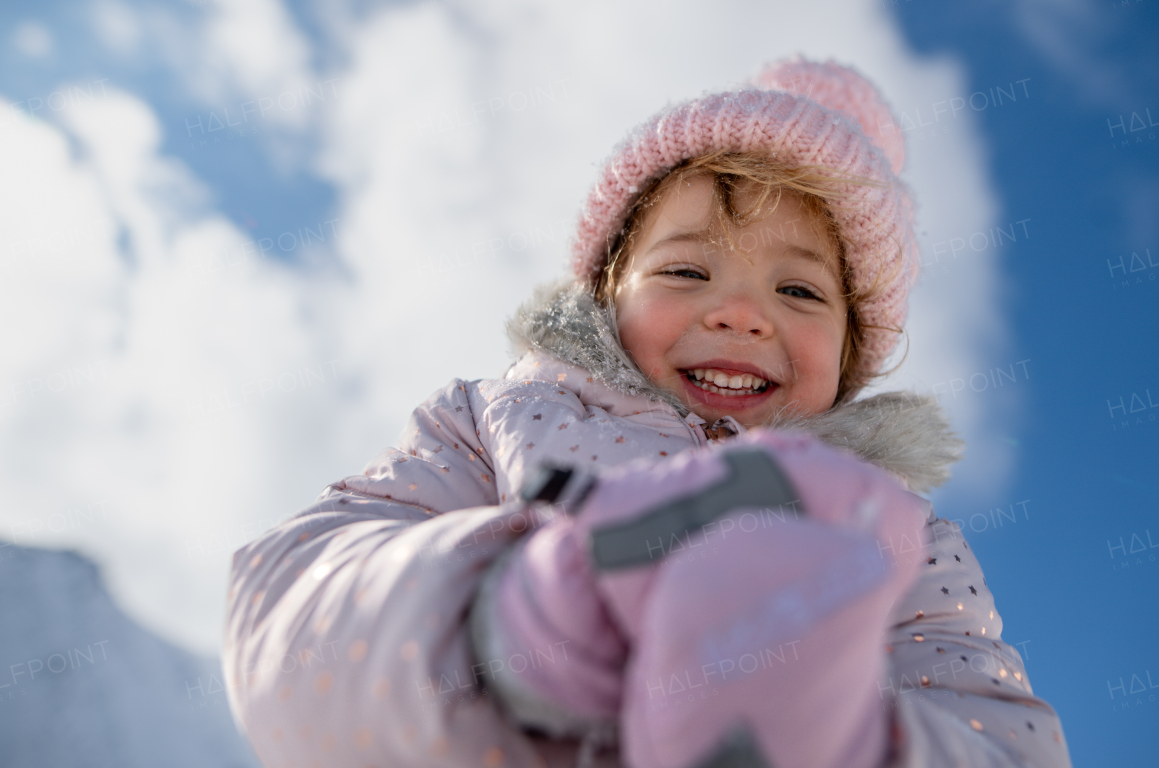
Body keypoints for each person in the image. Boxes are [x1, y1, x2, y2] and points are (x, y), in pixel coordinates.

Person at [221, 56, 1073, 768]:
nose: (741, 312)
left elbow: (996, 734)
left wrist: (843, 740)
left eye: (800, 288)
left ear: (849, 359)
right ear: (607, 294)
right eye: (688, 272)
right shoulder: (491, 420)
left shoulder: (897, 539)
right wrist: (517, 616)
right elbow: (286, 609)